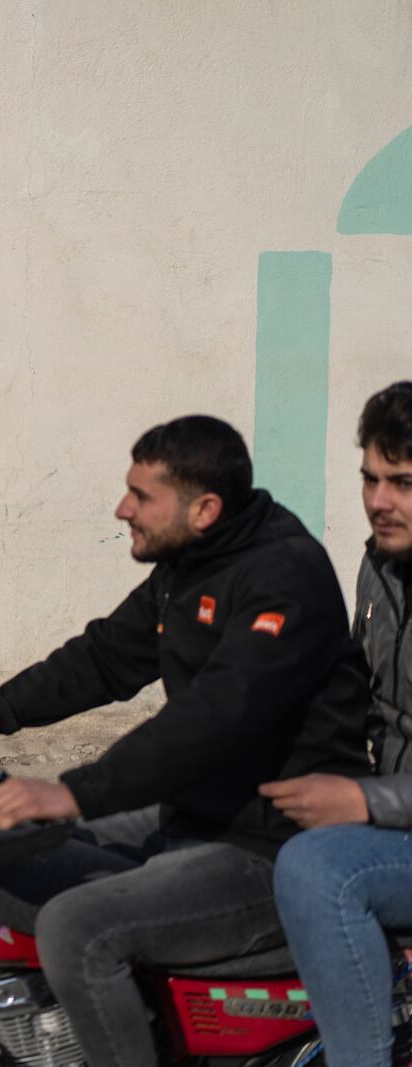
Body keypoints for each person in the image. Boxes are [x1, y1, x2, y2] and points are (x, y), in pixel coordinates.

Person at [0, 415, 371, 1067]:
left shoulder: (284, 575)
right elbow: (106, 656)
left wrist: (70, 792)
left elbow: (211, 717)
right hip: (200, 814)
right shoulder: (189, 563)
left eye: (141, 496)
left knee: (76, 926)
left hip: (273, 848)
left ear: (204, 508)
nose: (122, 508)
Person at [264, 381, 412, 1065]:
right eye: (370, 478)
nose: (379, 501)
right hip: (393, 812)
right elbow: (356, 695)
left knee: (321, 871)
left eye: (403, 482)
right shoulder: (381, 566)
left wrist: (362, 799)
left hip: (394, 814)